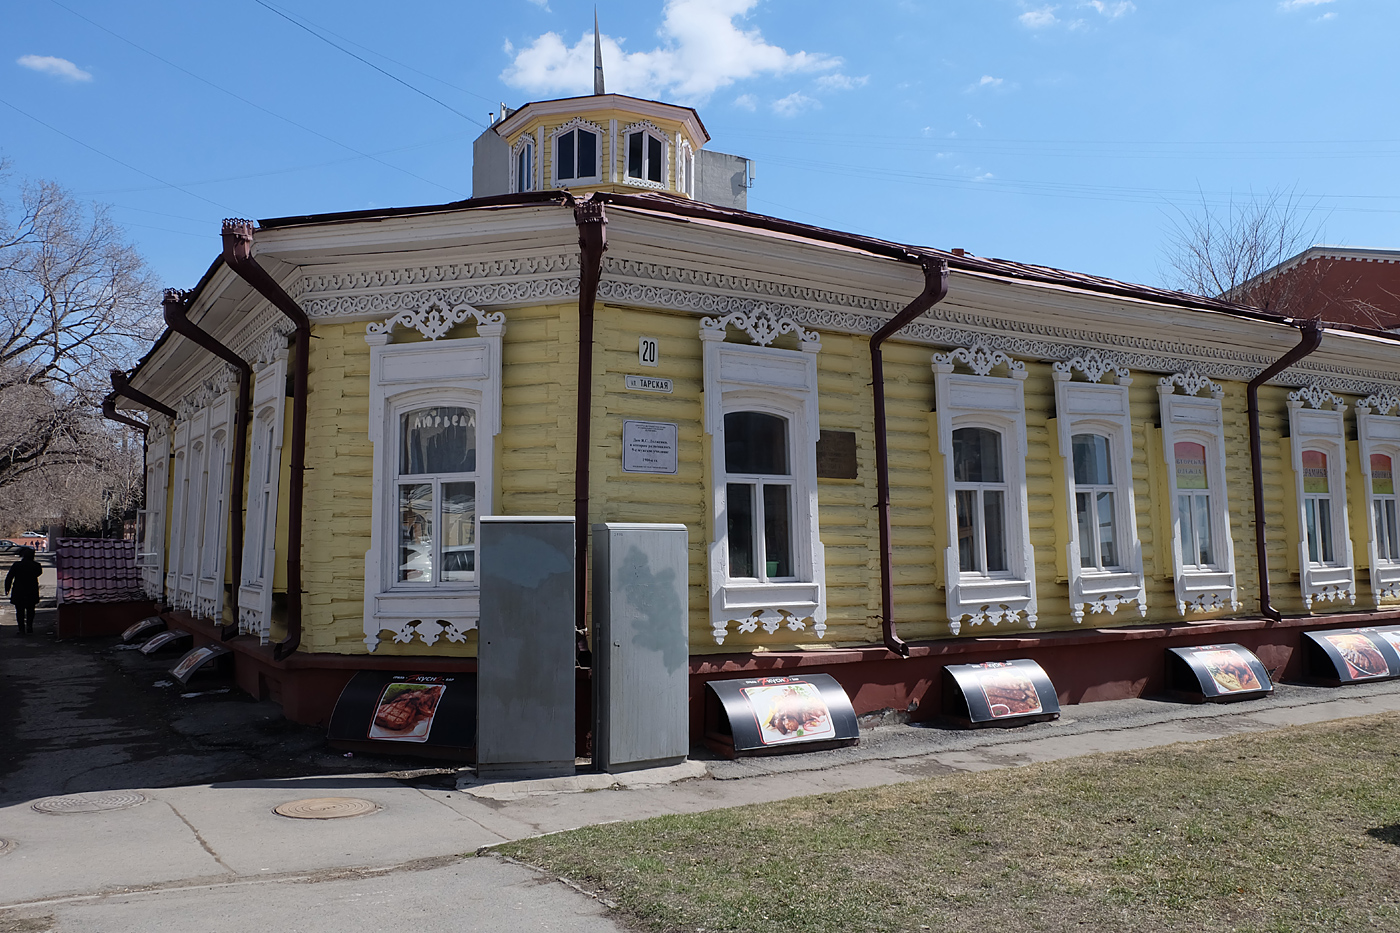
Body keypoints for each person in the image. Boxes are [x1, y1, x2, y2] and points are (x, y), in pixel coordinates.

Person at [4, 546, 41, 635]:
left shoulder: (17, 565)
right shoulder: (36, 565)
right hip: (31, 590)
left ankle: (21, 629)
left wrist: (7, 588)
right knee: (31, 610)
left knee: (19, 611)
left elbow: (9, 577)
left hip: (19, 590)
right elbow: (39, 573)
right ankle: (29, 626)